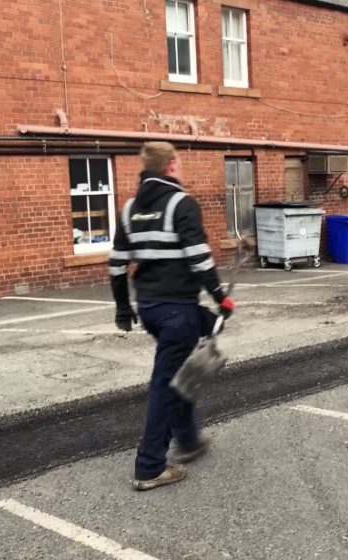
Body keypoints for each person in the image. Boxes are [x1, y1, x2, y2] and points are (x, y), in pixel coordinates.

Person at [109, 141, 236, 491]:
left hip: (149, 308)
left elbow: (117, 265)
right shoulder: (182, 204)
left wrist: (122, 309)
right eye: (178, 163)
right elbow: (199, 258)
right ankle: (149, 466)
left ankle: (189, 440)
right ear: (171, 166)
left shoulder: (129, 208)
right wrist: (221, 298)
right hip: (176, 310)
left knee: (183, 364)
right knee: (165, 383)